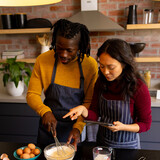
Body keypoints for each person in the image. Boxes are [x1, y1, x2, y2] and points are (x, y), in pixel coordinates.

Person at [63, 38, 152, 149]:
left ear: (124, 64)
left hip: (127, 146)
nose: (105, 72)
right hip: (103, 143)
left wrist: (123, 127)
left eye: (111, 67)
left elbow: (146, 124)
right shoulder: (101, 82)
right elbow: (95, 115)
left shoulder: (138, 88)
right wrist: (83, 110)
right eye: (102, 66)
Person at [26, 19, 98, 149]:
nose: (63, 55)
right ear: (54, 42)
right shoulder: (43, 60)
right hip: (48, 127)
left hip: (75, 129)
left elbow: (88, 103)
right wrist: (45, 112)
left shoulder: (89, 65)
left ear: (79, 47)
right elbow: (32, 94)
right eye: (59, 48)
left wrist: (78, 128)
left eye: (69, 50)